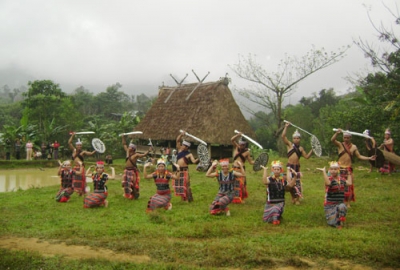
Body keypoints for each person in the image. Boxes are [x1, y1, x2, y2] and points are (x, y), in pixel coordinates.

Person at [331, 129, 375, 208]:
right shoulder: (340, 145)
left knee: (349, 186)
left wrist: (369, 158)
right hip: (340, 168)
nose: (346, 139)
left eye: (347, 138)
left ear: (350, 138)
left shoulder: (354, 147)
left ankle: (348, 203)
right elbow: (332, 140)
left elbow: (359, 156)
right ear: (343, 138)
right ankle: (339, 201)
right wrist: (337, 133)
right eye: (345, 137)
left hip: (348, 168)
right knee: (338, 185)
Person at [281, 122, 313, 205]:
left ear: (300, 139)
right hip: (289, 166)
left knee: (297, 182)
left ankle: (297, 198)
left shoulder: (301, 148)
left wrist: (312, 150)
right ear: (293, 139)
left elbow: (306, 157)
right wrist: (286, 127)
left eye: (298, 138)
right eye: (295, 138)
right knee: (290, 183)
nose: (296, 139)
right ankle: (293, 197)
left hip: (297, 167)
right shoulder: (289, 145)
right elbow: (283, 136)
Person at [317, 161, 352, 229]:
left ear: (338, 170)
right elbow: (327, 183)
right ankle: (335, 219)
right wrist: (323, 172)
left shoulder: (341, 179)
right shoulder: (329, 179)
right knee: (332, 223)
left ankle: (340, 219)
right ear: (329, 170)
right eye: (332, 169)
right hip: (330, 205)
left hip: (339, 204)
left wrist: (349, 173)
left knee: (342, 206)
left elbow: (349, 183)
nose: (333, 171)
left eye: (335, 169)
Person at [261, 161, 295, 225]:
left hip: (280, 202)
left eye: (278, 169)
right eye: (275, 169)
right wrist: (265, 170)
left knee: (276, 209)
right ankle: (275, 217)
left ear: (280, 170)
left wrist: (294, 175)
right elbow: (264, 181)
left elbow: (290, 185)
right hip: (271, 202)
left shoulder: (283, 180)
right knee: (266, 219)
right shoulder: (270, 179)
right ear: (272, 170)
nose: (276, 171)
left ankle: (275, 219)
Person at [121, 135, 152, 200]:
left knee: (134, 184)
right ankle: (129, 194)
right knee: (127, 184)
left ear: (132, 149)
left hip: (132, 171)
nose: (128, 148)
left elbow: (144, 154)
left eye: (130, 147)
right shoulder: (127, 153)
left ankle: (135, 195)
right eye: (129, 147)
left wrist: (149, 150)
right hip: (127, 170)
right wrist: (123, 137)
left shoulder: (136, 155)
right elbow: (124, 144)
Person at [175, 130, 199, 202]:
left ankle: (189, 197)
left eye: (184, 146)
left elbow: (194, 161)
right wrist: (181, 135)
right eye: (182, 145)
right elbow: (177, 140)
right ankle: (182, 198)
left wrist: (199, 158)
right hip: (179, 170)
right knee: (180, 184)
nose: (182, 146)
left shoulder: (189, 154)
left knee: (187, 183)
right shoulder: (179, 150)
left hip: (185, 170)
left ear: (187, 147)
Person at [231, 132, 254, 204]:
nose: (241, 145)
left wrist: (257, 163)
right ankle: (233, 197)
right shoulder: (236, 147)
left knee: (242, 184)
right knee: (232, 183)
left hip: (241, 169)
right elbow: (232, 139)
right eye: (240, 144)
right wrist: (238, 135)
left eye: (243, 144)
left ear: (245, 144)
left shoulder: (247, 152)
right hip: (234, 168)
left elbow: (250, 162)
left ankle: (242, 198)